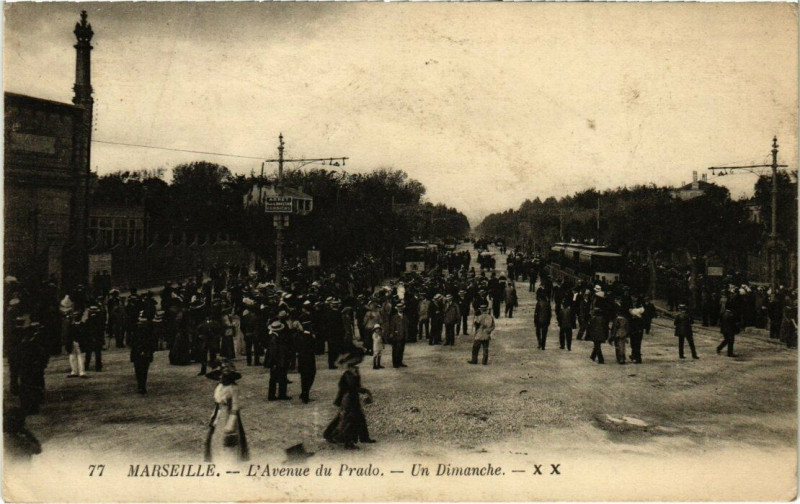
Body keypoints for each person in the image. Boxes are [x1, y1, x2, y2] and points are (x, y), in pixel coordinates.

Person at [323, 349, 376, 449]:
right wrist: (364, 391)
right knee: (349, 419)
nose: (360, 360)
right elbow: (352, 387)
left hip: (351, 397)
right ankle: (348, 442)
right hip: (348, 398)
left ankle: (363, 437)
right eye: (359, 359)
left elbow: (355, 385)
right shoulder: (349, 373)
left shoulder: (353, 370)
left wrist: (363, 390)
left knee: (356, 417)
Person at [204, 360, 249, 463]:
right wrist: (213, 416)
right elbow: (217, 404)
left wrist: (231, 424)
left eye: (223, 376)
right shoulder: (219, 387)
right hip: (219, 415)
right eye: (219, 376)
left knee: (229, 442)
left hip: (228, 415)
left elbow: (235, 407)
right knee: (216, 438)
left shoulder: (233, 388)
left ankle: (230, 462)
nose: (221, 378)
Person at [130, 316, 156, 394]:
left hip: (139, 354)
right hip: (144, 354)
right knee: (144, 371)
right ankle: (142, 386)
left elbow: (133, 344)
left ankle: (141, 386)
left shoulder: (136, 333)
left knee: (139, 370)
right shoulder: (149, 333)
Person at [266, 321, 292, 401]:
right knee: (281, 377)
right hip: (278, 361)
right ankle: (280, 395)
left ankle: (273, 395)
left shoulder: (273, 336)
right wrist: (273, 362)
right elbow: (273, 352)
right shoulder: (274, 338)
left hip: (277, 361)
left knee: (275, 378)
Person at [295, 330, 317, 404]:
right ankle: (305, 395)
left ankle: (304, 393)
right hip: (309, 359)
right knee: (310, 375)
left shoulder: (298, 336)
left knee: (303, 377)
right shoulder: (310, 337)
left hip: (301, 359)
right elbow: (315, 347)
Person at [389, 302, 409, 368]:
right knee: (395, 350)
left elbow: (406, 326)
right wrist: (392, 333)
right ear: (397, 309)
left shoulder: (405, 316)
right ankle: (395, 363)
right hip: (396, 336)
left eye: (401, 308)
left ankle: (400, 362)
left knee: (401, 349)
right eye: (399, 308)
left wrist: (406, 335)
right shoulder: (394, 317)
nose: (400, 309)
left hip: (403, 335)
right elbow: (392, 327)